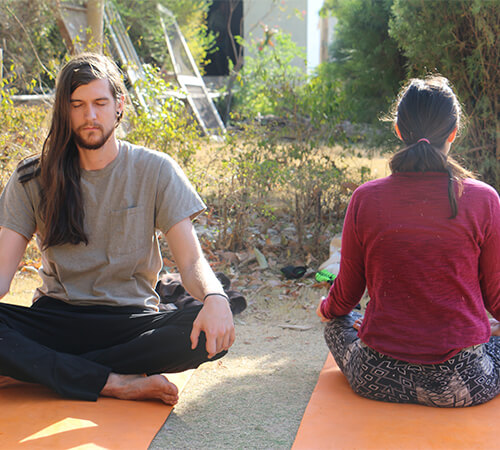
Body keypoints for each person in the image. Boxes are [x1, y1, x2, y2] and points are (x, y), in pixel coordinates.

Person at [0, 53, 235, 405]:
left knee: (210, 333)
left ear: (119, 105)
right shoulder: (31, 176)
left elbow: (190, 263)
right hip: (56, 319)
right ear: (64, 110)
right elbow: (3, 272)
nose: (89, 115)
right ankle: (112, 382)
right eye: (77, 105)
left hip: (130, 323)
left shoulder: (155, 170)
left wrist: (216, 298)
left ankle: (43, 372)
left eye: (99, 103)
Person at [316, 76, 500, 407]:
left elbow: (345, 297)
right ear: (454, 133)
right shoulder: (483, 199)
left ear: (399, 130)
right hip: (462, 386)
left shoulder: (365, 198)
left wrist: (327, 309)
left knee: (337, 323)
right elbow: (497, 298)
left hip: (376, 377)